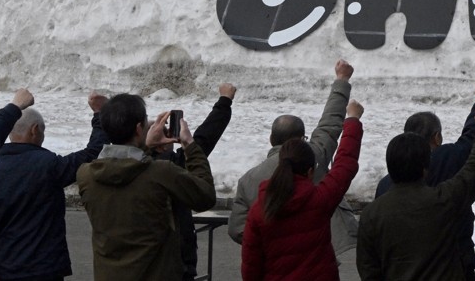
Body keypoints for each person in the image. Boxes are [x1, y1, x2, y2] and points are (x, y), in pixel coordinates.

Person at [0, 92, 107, 281]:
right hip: (45, 270)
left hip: (4, 270)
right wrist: (99, 114)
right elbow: (92, 153)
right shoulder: (50, 166)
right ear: (34, 130)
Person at [77, 93, 216, 281]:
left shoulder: (86, 175)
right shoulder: (162, 172)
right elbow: (205, 196)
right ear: (139, 129)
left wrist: (145, 146)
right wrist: (189, 145)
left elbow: (124, 168)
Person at [229, 60, 360, 258]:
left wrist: (270, 242)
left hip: (274, 264)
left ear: (272, 139)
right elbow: (330, 124)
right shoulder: (315, 157)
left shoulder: (248, 180)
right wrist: (342, 80)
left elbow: (236, 228)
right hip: (316, 262)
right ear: (301, 139)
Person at [372, 81, 475, 280]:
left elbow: (370, 259)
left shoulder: (384, 187)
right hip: (451, 266)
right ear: (437, 137)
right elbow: (472, 144)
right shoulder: (446, 164)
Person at [241, 98, 364, 281]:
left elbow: (250, 268)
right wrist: (353, 119)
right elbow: (345, 163)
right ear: (310, 172)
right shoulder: (320, 200)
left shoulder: (259, 211)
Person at [151, 83, 237, 281]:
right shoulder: (171, 170)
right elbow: (205, 139)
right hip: (174, 266)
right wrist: (224, 102)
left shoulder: (114, 169)